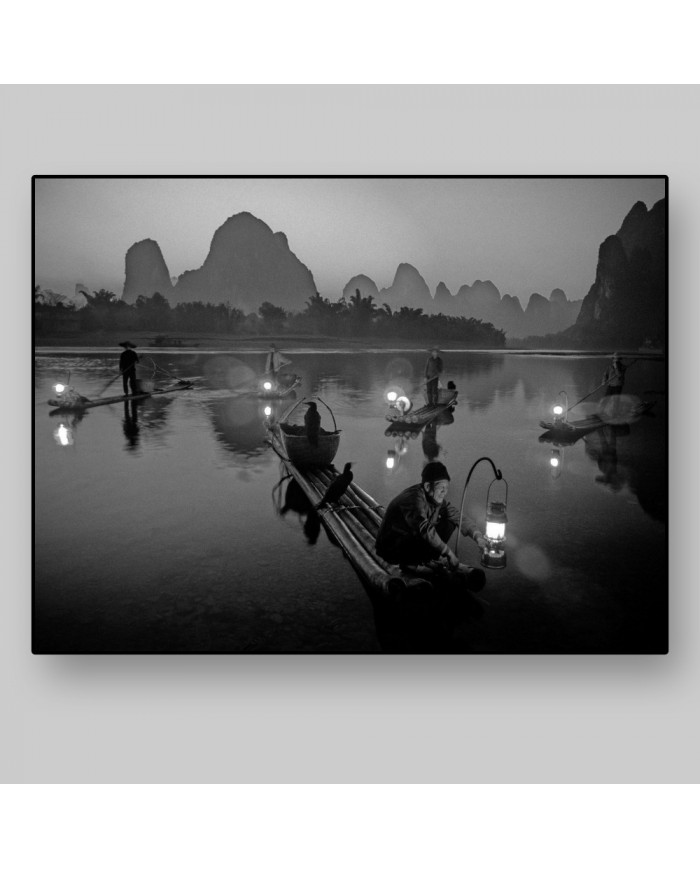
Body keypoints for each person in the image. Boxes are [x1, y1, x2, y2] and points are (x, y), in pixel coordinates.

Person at [375, 461, 488, 590]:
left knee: (450, 520)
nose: (444, 493)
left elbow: (458, 517)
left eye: (446, 489)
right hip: (391, 548)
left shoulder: (435, 499)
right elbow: (423, 528)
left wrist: (478, 537)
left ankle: (428, 561)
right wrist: (448, 553)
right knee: (427, 531)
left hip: (409, 544)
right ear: (428, 486)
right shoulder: (413, 499)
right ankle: (413, 565)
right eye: (441, 489)